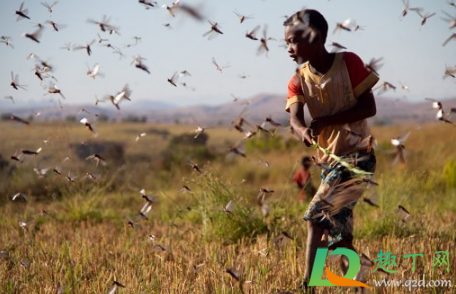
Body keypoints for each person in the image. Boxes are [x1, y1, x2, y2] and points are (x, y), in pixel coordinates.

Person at [283, 9, 379, 291]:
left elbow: (369, 107)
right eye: (286, 43)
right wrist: (303, 131)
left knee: (315, 219)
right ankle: (359, 284)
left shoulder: (348, 62)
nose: (289, 48)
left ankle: (307, 286)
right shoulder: (298, 79)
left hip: (358, 157)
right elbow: (294, 118)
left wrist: (326, 121)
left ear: (317, 37)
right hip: (330, 162)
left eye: (294, 41)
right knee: (340, 237)